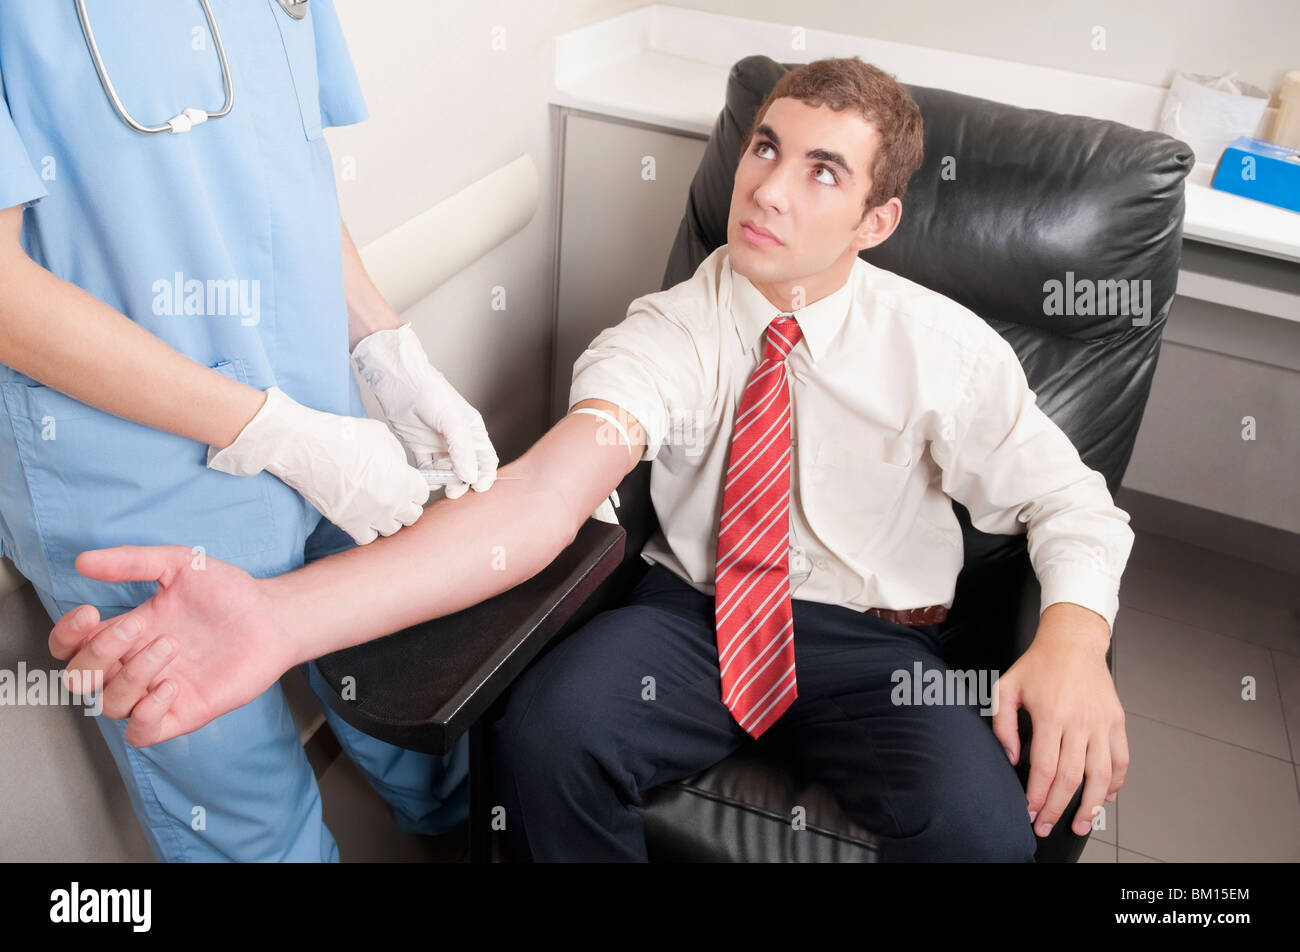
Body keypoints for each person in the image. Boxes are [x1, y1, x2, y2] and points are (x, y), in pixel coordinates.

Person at [51, 56, 1133, 861]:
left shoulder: (944, 350)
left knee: (987, 833)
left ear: (876, 218)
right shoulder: (668, 329)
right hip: (694, 617)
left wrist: (1075, 641)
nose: (766, 189)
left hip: (870, 639)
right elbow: (541, 498)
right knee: (547, 734)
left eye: (820, 172)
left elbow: (1071, 504)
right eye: (763, 147)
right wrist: (280, 617)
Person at [0, 0, 496, 861]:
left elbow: (286, 164)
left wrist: (383, 350)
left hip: (326, 416)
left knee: (422, 713)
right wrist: (276, 433)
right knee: (258, 834)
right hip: (139, 479)